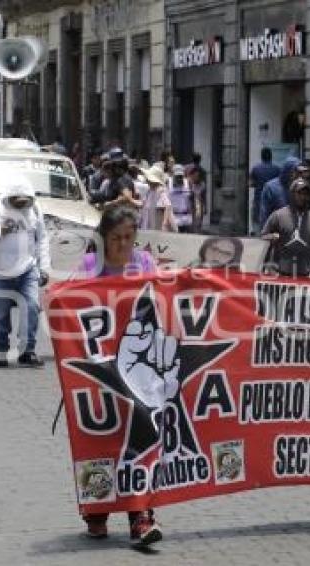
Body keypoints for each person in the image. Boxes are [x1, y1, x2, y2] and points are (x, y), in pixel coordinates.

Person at [73, 205, 161, 545]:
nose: (123, 245)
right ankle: (96, 511)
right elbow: (72, 307)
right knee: (100, 440)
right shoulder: (89, 268)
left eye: (128, 238)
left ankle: (141, 516)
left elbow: (161, 303)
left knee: (141, 442)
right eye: (115, 238)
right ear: (103, 238)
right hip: (100, 370)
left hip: (139, 371)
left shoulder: (145, 264)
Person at [0, 176, 50, 368]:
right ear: (9, 196)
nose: (23, 204)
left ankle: (27, 351)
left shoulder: (35, 209)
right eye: (19, 201)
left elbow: (42, 239)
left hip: (27, 269)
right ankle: (0, 350)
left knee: (32, 306)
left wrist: (44, 267)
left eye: (26, 200)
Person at [261, 179, 310, 277]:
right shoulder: (278, 215)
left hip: (306, 274)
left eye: (306, 194)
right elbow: (263, 237)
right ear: (292, 194)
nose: (302, 197)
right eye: (299, 193)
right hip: (281, 273)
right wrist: (271, 236)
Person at [259, 155, 301, 223]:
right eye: (295, 171)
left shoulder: (299, 186)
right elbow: (265, 213)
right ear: (288, 171)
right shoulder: (271, 187)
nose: (297, 175)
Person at [250, 147, 281, 230]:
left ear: (261, 156)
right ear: (271, 156)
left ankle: (259, 235)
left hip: (259, 198)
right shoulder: (277, 169)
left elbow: (251, 183)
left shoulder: (256, 169)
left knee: (257, 219)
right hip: (274, 199)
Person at [138, 166, 176, 232]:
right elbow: (143, 203)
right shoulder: (149, 191)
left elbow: (168, 206)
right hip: (149, 225)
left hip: (157, 226)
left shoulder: (160, 190)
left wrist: (164, 224)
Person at [168, 164, 195, 233]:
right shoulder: (168, 183)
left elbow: (192, 200)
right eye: (177, 176)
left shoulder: (188, 183)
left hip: (186, 218)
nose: (179, 178)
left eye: (181, 176)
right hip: (173, 218)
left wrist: (194, 218)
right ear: (173, 175)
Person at [185, 158, 206, 232]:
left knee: (198, 221)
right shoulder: (189, 183)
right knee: (192, 222)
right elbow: (189, 195)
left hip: (199, 204)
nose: (196, 177)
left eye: (197, 175)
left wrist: (204, 206)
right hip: (192, 205)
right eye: (194, 175)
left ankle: (197, 231)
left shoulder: (202, 184)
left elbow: (203, 196)